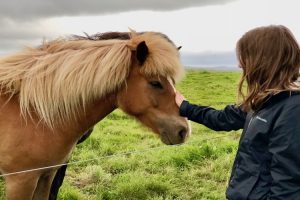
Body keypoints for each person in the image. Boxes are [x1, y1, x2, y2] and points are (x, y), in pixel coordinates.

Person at [175, 25, 300, 199]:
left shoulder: (293, 110)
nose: (239, 64)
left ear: (264, 60)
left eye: (245, 57)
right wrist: (185, 107)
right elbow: (222, 119)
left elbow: (287, 188)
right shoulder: (263, 101)